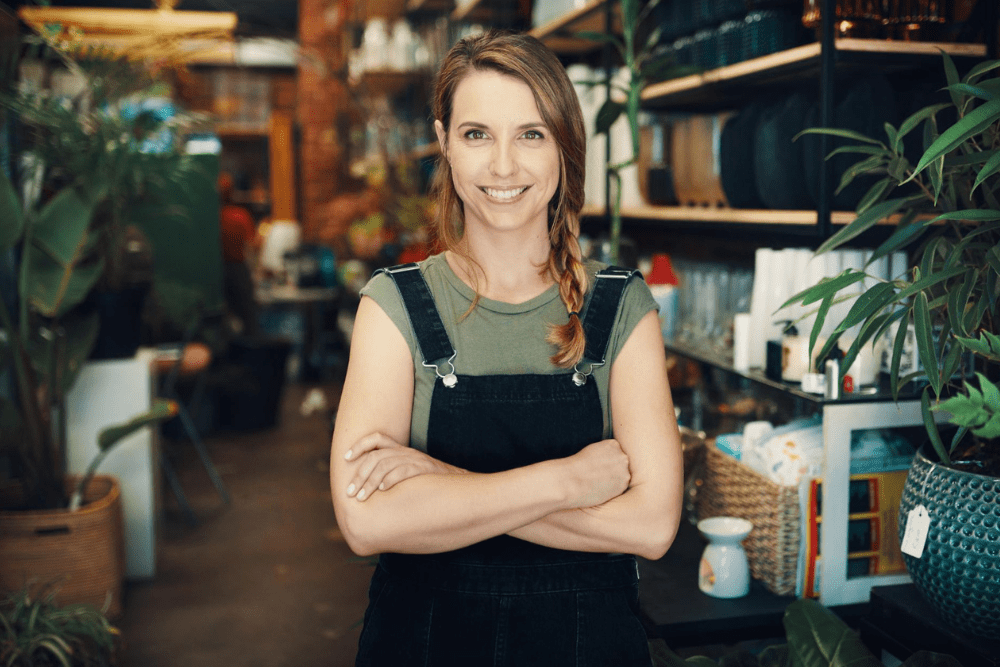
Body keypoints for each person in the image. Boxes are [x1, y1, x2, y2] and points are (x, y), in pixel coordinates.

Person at [330, 30, 684, 666]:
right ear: (443, 143)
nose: (502, 166)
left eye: (530, 134)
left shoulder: (619, 306)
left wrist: (440, 485)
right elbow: (367, 523)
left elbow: (652, 527)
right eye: (476, 134)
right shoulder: (394, 307)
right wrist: (569, 481)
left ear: (563, 147)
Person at [218, 171, 259, 336]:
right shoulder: (240, 215)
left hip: (218, 270)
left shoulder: (212, 218)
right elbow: (251, 247)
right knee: (248, 316)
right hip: (238, 270)